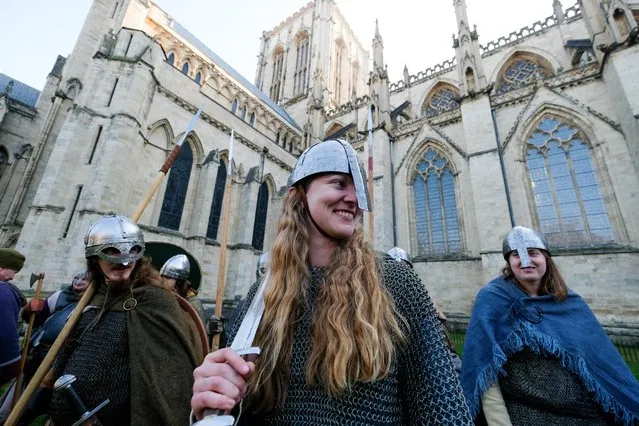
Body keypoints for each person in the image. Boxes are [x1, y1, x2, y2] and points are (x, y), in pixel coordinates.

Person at [191, 139, 472, 424]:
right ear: (298, 195)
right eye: (338, 183)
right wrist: (214, 405)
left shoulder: (397, 283)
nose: (353, 198)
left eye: (357, 188)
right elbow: (249, 412)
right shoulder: (261, 297)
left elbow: (444, 413)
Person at [461, 226, 639, 425]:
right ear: (509, 263)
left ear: (546, 258)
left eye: (532, 253)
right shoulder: (492, 299)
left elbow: (600, 359)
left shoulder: (568, 301)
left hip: (587, 411)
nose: (525, 260)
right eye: (516, 255)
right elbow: (484, 368)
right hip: (528, 412)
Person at [46, 215, 207, 426]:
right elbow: (70, 347)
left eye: (132, 252)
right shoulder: (94, 298)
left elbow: (171, 374)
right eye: (111, 252)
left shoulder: (155, 300)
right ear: (95, 258)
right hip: (72, 411)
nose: (123, 261)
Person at [386, 246, 462, 375]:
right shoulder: (372, 309)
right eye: (392, 269)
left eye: (403, 269)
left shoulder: (424, 306)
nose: (398, 274)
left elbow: (447, 358)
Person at [0, 248, 27, 386]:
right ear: (1, 268)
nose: (12, 278)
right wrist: (11, 365)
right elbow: (5, 334)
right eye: (14, 272)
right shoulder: (3, 294)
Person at [160, 254, 206, 324]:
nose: (163, 280)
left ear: (179, 282)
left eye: (168, 277)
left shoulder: (193, 303)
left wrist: (210, 329)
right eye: (163, 276)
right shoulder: (158, 296)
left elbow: (200, 332)